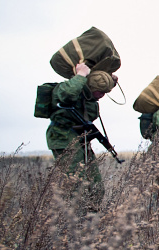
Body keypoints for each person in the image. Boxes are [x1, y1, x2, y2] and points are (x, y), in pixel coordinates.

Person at [45, 62, 118, 211]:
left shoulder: (87, 97)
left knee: (96, 187)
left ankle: (91, 219)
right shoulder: (70, 89)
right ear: (90, 87)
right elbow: (66, 95)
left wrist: (110, 79)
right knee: (75, 186)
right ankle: (73, 223)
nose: (102, 96)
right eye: (100, 91)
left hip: (81, 140)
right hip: (63, 138)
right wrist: (81, 74)